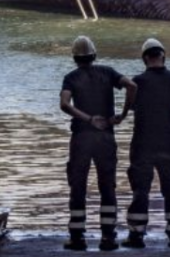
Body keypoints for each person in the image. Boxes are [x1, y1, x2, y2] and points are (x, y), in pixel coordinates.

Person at [60, 35, 137, 252]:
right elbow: (132, 86)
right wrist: (122, 115)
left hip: (81, 138)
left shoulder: (71, 78)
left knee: (78, 187)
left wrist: (87, 118)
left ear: (74, 57)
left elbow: (64, 104)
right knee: (107, 187)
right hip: (105, 138)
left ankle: (77, 239)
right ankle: (108, 239)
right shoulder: (108, 72)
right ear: (94, 54)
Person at [125, 38, 170, 250]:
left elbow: (131, 107)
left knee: (141, 190)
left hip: (143, 144)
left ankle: (137, 236)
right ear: (163, 56)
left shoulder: (137, 82)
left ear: (144, 59)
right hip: (169, 142)